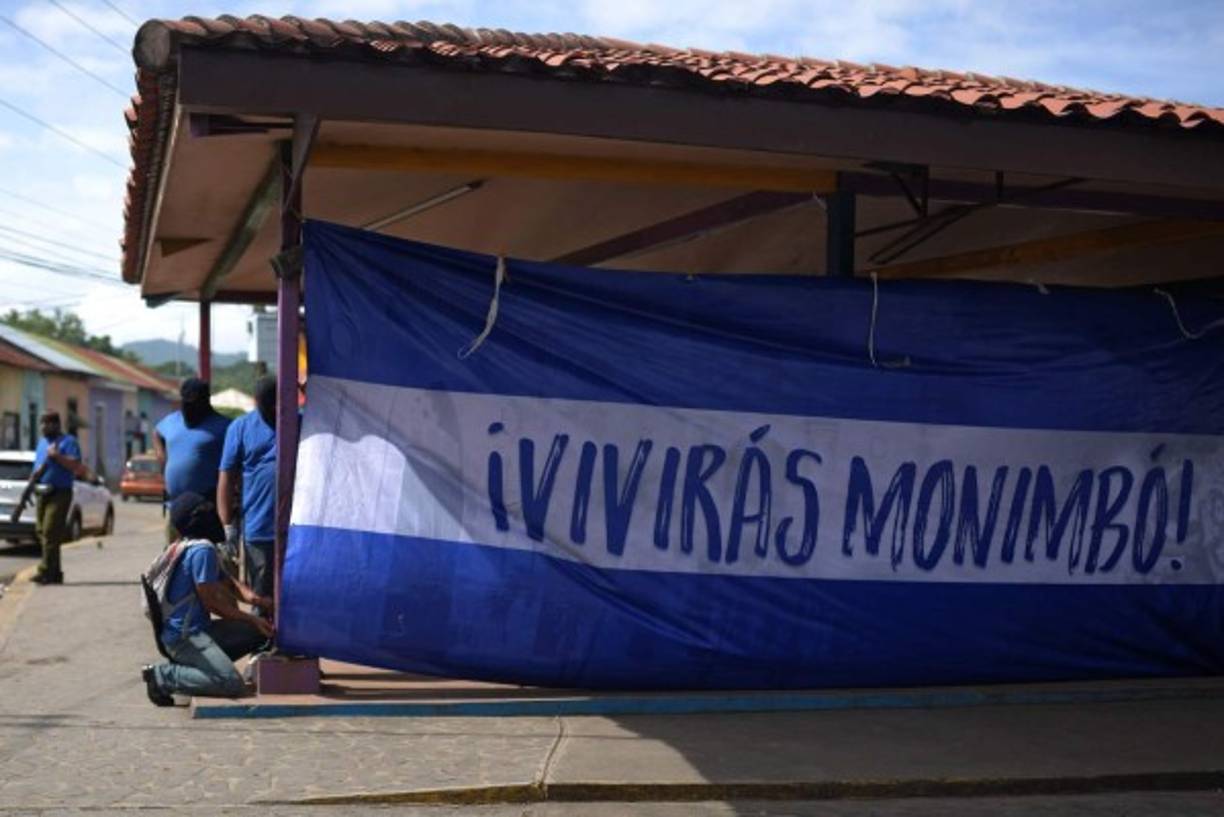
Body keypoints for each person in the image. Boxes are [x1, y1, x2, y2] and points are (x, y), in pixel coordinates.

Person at [141, 492, 273, 706]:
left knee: (259, 633)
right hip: (185, 638)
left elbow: (231, 584)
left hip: (196, 632)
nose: (213, 516)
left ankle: (205, 669)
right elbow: (212, 603)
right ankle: (163, 676)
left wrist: (260, 603)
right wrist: (251, 619)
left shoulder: (187, 545)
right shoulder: (202, 551)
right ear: (197, 520)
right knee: (231, 683)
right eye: (206, 512)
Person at [218, 376, 277, 605]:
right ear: (256, 402)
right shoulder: (240, 427)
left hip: (295, 527)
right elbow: (226, 476)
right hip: (259, 526)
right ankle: (263, 636)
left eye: (276, 404)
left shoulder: (299, 423)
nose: (272, 410)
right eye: (266, 406)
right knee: (261, 595)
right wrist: (228, 525)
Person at [153, 379, 230, 542]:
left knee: (206, 557)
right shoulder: (172, 421)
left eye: (194, 402)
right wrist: (162, 457)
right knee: (176, 560)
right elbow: (157, 432)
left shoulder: (224, 426)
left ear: (205, 401)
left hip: (206, 509)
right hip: (175, 509)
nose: (190, 407)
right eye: (186, 401)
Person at [26, 412, 82, 585]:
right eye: (41, 423)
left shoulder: (68, 442)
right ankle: (55, 572)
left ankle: (45, 571)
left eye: (47, 423)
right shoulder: (42, 443)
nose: (43, 427)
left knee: (50, 531)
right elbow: (38, 465)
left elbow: (76, 465)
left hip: (60, 492)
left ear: (56, 425)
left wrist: (57, 456)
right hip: (42, 492)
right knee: (42, 531)